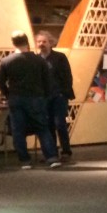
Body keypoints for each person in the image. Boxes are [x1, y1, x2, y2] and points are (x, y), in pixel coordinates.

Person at [0, 31, 61, 169]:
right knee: (42, 128)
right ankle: (52, 158)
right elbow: (47, 81)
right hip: (36, 98)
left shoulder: (6, 61)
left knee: (18, 131)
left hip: (16, 99)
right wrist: (44, 96)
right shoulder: (39, 60)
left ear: (13, 43)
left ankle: (25, 160)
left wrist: (8, 94)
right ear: (27, 42)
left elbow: (0, 82)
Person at [35, 31, 75, 162]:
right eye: (39, 42)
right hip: (44, 97)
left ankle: (66, 151)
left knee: (60, 123)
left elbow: (67, 76)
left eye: (44, 41)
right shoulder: (36, 60)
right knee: (48, 125)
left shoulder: (60, 57)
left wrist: (64, 92)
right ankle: (52, 153)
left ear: (50, 43)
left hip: (59, 96)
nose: (41, 44)